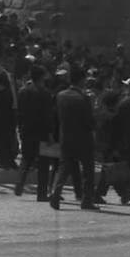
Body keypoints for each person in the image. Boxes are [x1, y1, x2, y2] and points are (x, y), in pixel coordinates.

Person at [48, 65, 98, 211]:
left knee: (63, 168)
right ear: (82, 80)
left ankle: (55, 195)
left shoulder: (61, 95)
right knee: (88, 170)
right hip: (83, 139)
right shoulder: (84, 98)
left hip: (66, 137)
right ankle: (86, 200)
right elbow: (89, 121)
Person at [14, 62, 55, 200]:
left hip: (26, 130)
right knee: (43, 164)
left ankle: (19, 183)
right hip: (41, 132)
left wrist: (20, 129)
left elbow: (18, 113)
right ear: (41, 77)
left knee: (26, 159)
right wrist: (50, 134)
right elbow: (48, 116)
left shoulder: (22, 91)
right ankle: (42, 193)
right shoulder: (45, 93)